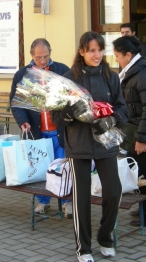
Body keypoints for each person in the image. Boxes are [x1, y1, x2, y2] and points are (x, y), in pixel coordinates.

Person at [51, 31, 129, 262]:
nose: (96, 55)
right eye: (91, 50)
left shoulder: (111, 77)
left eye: (99, 50)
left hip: (105, 144)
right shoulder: (68, 78)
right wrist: (69, 113)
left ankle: (105, 238)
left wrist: (111, 120)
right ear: (82, 51)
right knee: (81, 197)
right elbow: (56, 117)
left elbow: (123, 109)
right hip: (79, 145)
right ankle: (83, 248)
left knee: (113, 191)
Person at [9, 38, 73, 218]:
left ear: (50, 52)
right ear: (31, 56)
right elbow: (16, 103)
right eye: (38, 58)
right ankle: (43, 201)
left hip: (59, 130)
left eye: (45, 56)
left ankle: (67, 202)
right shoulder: (23, 74)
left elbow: (72, 97)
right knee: (40, 168)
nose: (43, 61)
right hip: (38, 131)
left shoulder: (62, 70)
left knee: (63, 168)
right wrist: (22, 120)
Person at [113, 36, 146, 228]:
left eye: (117, 56)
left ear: (128, 55)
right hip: (139, 131)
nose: (116, 60)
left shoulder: (144, 74)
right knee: (140, 173)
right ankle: (144, 210)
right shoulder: (131, 72)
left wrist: (143, 139)